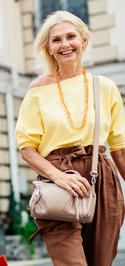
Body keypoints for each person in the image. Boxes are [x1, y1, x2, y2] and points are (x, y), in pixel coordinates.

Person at [15, 10, 125, 266]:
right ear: (49, 48)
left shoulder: (105, 87)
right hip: (55, 183)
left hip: (102, 180)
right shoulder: (38, 90)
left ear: (83, 41)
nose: (65, 44)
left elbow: (119, 148)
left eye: (71, 36)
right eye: (56, 40)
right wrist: (59, 177)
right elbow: (27, 147)